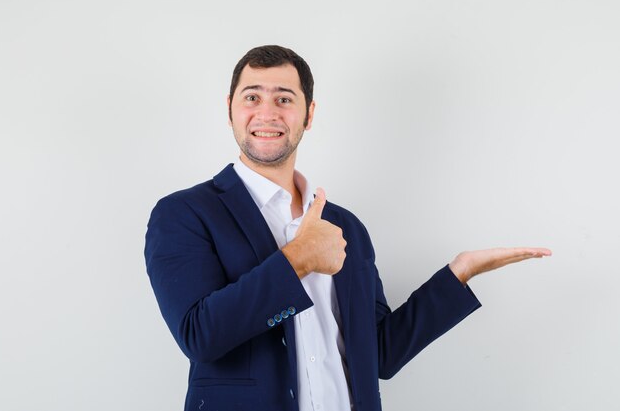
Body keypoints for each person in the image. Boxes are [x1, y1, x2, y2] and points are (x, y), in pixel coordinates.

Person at [144, 45, 551, 411]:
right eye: (253, 97)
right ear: (231, 107)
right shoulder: (184, 213)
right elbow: (201, 336)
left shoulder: (345, 227)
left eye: (284, 99)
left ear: (309, 114)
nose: (267, 113)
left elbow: (379, 355)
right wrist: (298, 259)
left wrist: (458, 274)